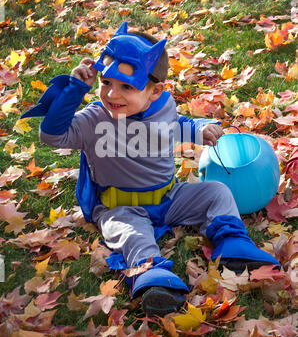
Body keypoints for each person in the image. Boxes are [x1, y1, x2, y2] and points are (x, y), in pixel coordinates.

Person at [21, 22, 280, 317]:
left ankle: (233, 245)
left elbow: (176, 125)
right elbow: (51, 136)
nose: (112, 95)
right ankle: (153, 279)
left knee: (216, 192)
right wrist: (74, 90)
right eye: (106, 83)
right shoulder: (95, 118)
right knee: (133, 235)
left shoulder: (163, 107)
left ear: (155, 91)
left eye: (126, 87)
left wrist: (199, 129)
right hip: (121, 207)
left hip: (169, 198)